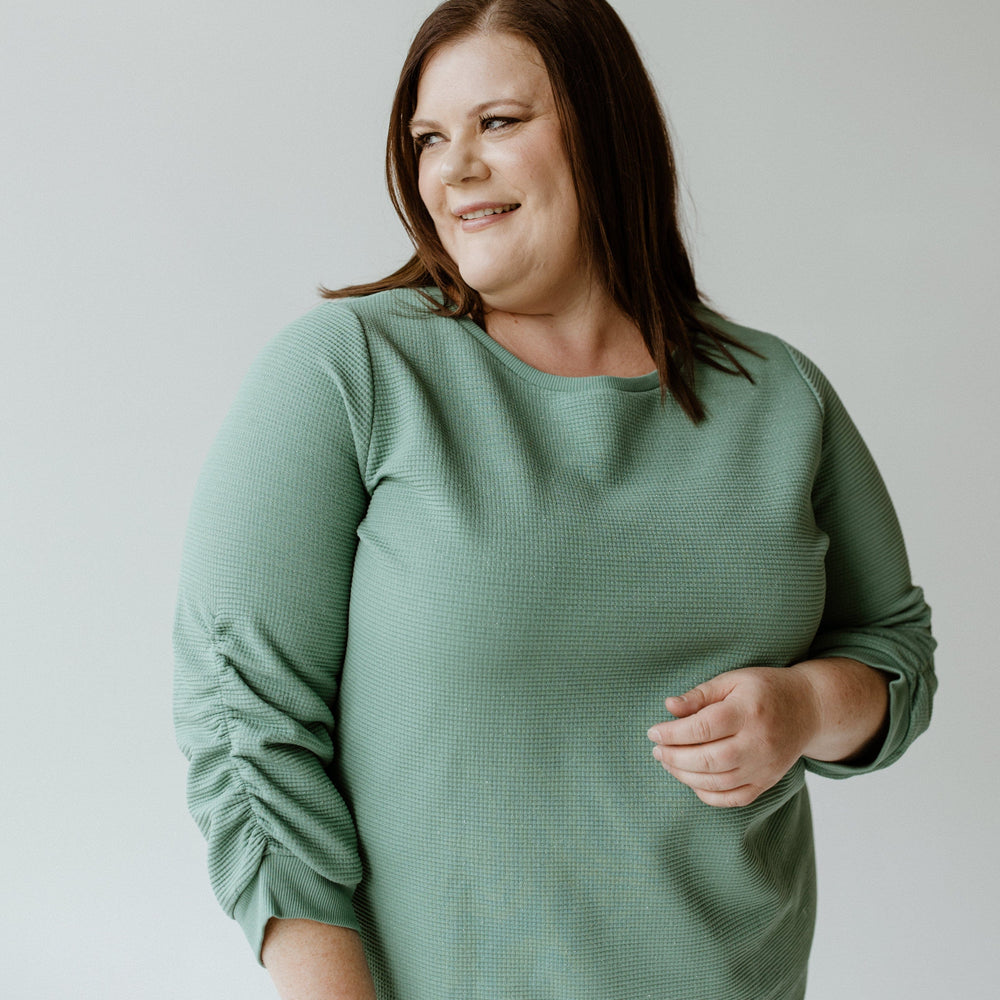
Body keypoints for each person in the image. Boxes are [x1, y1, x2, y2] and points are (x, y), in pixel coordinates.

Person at [173, 0, 936, 997]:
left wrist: (801, 706)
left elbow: (894, 655)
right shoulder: (352, 372)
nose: (453, 169)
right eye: (427, 139)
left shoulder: (778, 396)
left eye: (497, 122)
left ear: (601, 124)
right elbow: (243, 725)